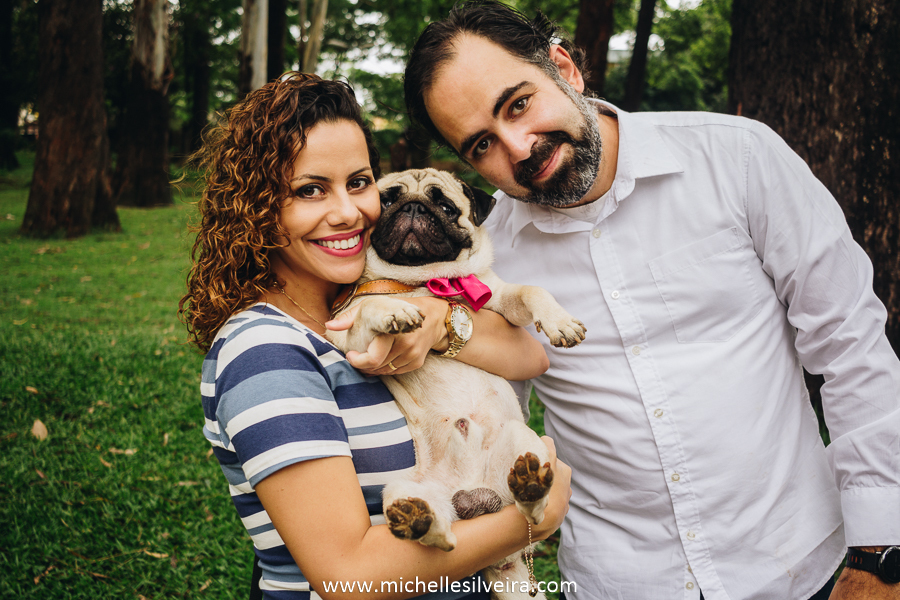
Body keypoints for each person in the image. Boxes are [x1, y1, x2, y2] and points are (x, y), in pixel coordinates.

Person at [402, 3, 900, 600]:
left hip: (805, 569)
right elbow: (489, 420)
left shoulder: (737, 160)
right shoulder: (491, 261)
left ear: (565, 67)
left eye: (519, 103)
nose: (518, 146)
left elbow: (853, 350)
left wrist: (880, 554)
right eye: (481, 143)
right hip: (621, 583)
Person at [179, 72, 572, 600]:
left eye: (359, 182)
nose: (347, 212)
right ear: (257, 209)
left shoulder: (372, 306)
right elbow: (350, 576)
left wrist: (438, 321)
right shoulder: (265, 353)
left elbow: (528, 355)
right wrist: (530, 524)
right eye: (310, 190)